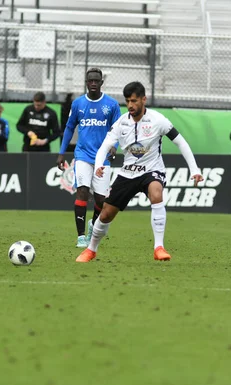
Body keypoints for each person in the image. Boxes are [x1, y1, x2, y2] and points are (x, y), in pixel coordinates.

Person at [76, 81, 204, 263]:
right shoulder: (121, 123)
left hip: (152, 170)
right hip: (127, 174)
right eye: (127, 101)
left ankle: (159, 247)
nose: (130, 105)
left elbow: (180, 142)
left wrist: (194, 169)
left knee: (156, 193)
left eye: (134, 101)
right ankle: (91, 249)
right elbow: (105, 146)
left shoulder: (158, 120)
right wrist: (98, 165)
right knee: (106, 214)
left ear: (144, 100)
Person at [56, 68, 121, 248]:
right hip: (82, 155)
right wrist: (62, 152)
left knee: (101, 200)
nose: (93, 83)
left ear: (101, 83)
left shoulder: (112, 105)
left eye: (96, 81)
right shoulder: (78, 104)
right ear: (86, 82)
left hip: (102, 158)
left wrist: (114, 147)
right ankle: (81, 236)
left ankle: (93, 225)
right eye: (90, 80)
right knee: (82, 191)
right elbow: (69, 128)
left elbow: (118, 130)